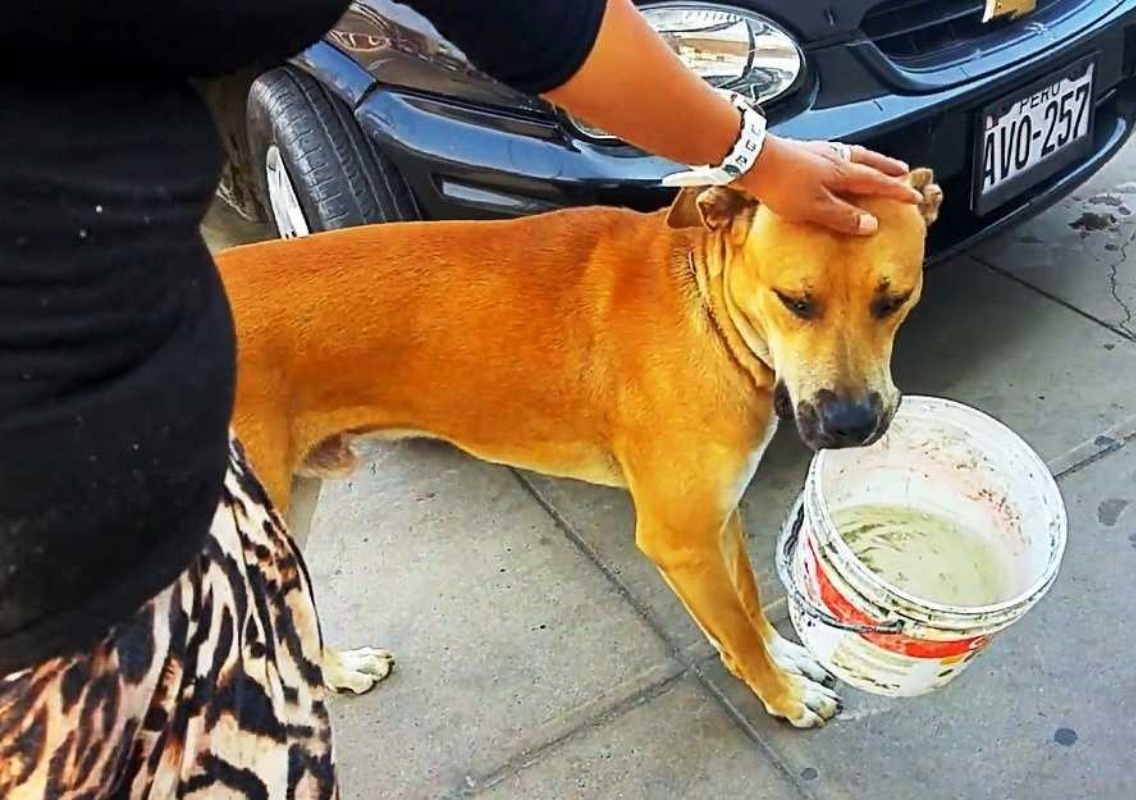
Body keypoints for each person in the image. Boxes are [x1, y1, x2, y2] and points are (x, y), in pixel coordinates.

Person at [0, 1, 921, 797]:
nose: (848, 375)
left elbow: (552, 25)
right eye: (798, 307)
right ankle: (761, 670)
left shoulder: (724, 328)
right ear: (714, 224)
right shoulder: (695, 351)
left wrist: (755, 153)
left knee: (256, 609)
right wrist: (765, 667)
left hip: (130, 319)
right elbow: (677, 540)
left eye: (889, 305)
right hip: (87, 442)